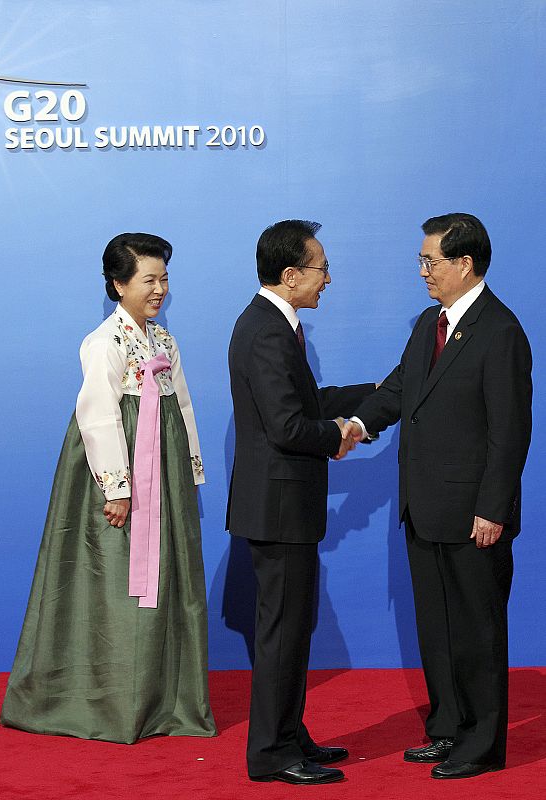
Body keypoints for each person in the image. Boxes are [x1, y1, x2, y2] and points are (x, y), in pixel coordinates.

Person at [1, 233, 216, 743]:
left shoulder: (163, 340)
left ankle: (167, 699)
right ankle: (111, 700)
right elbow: (97, 415)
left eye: (164, 278)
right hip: (115, 466)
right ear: (119, 284)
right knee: (119, 579)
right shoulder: (104, 342)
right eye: (149, 279)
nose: (160, 289)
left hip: (163, 469)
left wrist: (189, 469)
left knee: (169, 577)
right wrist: (117, 488)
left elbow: (180, 406)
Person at [344, 213, 532, 779]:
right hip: (422, 508)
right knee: (438, 629)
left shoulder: (501, 331)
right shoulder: (429, 322)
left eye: (431, 261)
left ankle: (482, 744)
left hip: (474, 514)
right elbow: (401, 388)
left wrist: (492, 509)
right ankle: (449, 728)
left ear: (465, 264)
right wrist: (354, 426)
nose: (422, 271)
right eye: (422, 261)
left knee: (477, 630)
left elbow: (510, 430)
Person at [226, 219, 377, 784]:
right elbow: (291, 426)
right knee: (282, 632)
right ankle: (269, 753)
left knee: (292, 629)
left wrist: (383, 392)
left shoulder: (275, 325)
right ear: (290, 275)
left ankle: (288, 735)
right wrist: (341, 433)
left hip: (285, 508)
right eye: (321, 268)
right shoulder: (266, 331)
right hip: (280, 510)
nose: (328, 279)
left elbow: (308, 400)